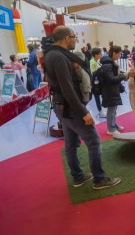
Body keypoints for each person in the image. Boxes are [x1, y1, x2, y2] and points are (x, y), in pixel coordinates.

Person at [44, 25, 121, 189]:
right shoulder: (59, 57)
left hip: (61, 106)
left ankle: (78, 176)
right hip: (70, 107)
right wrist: (83, 111)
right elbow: (67, 88)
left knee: (71, 143)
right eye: (74, 37)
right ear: (66, 38)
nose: (75, 40)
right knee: (93, 140)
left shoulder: (51, 54)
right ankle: (99, 179)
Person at [100, 45, 127, 135]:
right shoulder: (108, 65)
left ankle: (113, 124)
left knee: (114, 108)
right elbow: (111, 79)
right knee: (111, 109)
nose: (120, 55)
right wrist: (123, 76)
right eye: (119, 54)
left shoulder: (110, 63)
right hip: (109, 90)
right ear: (114, 53)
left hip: (112, 90)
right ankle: (110, 129)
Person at [90, 47, 106, 118]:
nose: (101, 55)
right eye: (99, 54)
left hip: (97, 83)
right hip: (94, 84)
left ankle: (101, 111)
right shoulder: (92, 62)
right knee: (96, 98)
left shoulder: (95, 61)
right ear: (96, 55)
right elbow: (93, 74)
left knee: (98, 97)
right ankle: (100, 112)